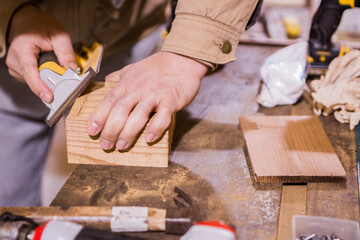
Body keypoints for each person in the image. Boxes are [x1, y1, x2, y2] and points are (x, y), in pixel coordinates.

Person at [0, 0, 261, 206]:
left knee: (122, 199)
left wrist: (188, 52)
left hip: (128, 42)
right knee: (9, 210)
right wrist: (11, 15)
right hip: (14, 63)